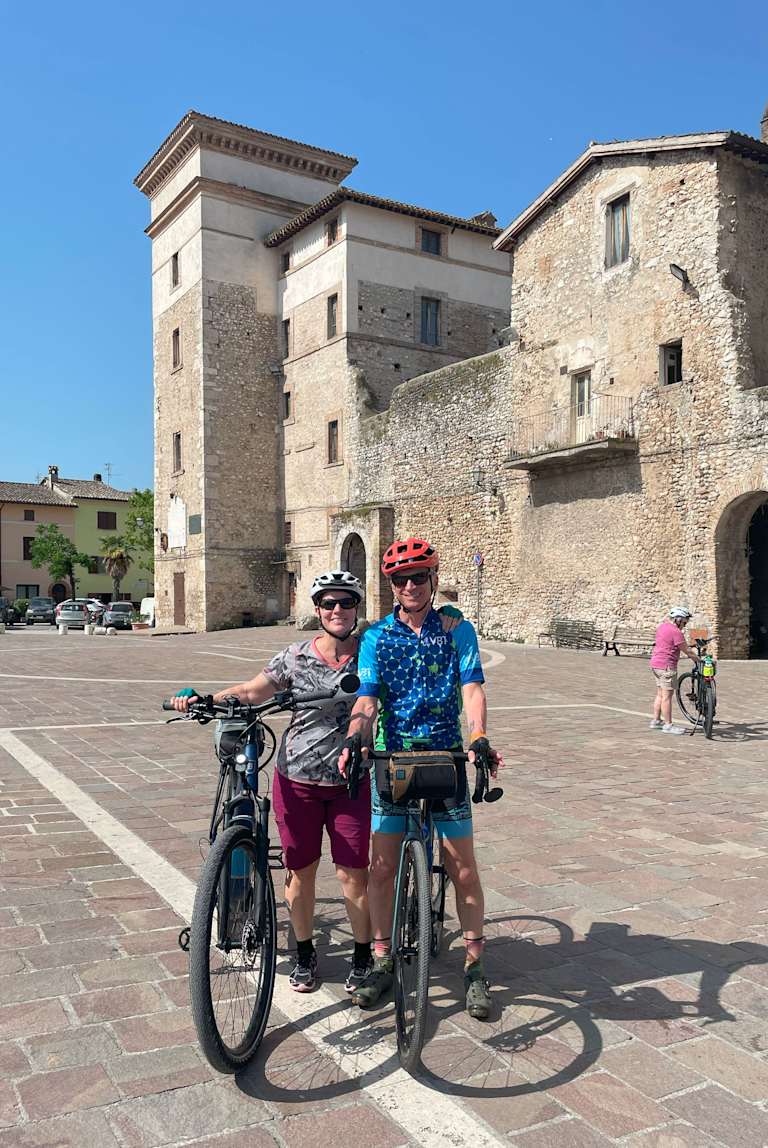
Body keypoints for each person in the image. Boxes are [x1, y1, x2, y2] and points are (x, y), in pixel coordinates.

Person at [172, 570, 373, 993]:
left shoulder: (370, 654)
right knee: (300, 871)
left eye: (347, 603)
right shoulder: (295, 656)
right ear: (317, 610)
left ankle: (361, 955)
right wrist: (203, 699)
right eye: (330, 603)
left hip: (349, 781)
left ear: (357, 608)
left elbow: (373, 704)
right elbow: (251, 692)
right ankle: (303, 953)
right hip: (296, 778)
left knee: (353, 875)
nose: (339, 610)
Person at [338, 536, 503, 1020]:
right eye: (400, 579)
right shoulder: (376, 637)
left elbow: (471, 687)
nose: (409, 585)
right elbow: (367, 698)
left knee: (463, 868)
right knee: (383, 868)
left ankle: (474, 967)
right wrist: (355, 735)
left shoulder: (457, 630)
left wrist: (478, 736)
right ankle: (384, 961)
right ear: (389, 585)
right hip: (394, 761)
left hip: (445, 757)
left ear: (433, 579)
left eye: (418, 576)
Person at [649, 606, 699, 735]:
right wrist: (699, 660)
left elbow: (668, 643)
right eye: (684, 622)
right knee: (667, 697)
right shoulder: (676, 632)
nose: (684, 625)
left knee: (660, 694)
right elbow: (686, 650)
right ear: (678, 619)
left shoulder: (662, 627)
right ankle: (668, 725)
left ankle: (656, 721)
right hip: (667, 667)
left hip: (656, 664)